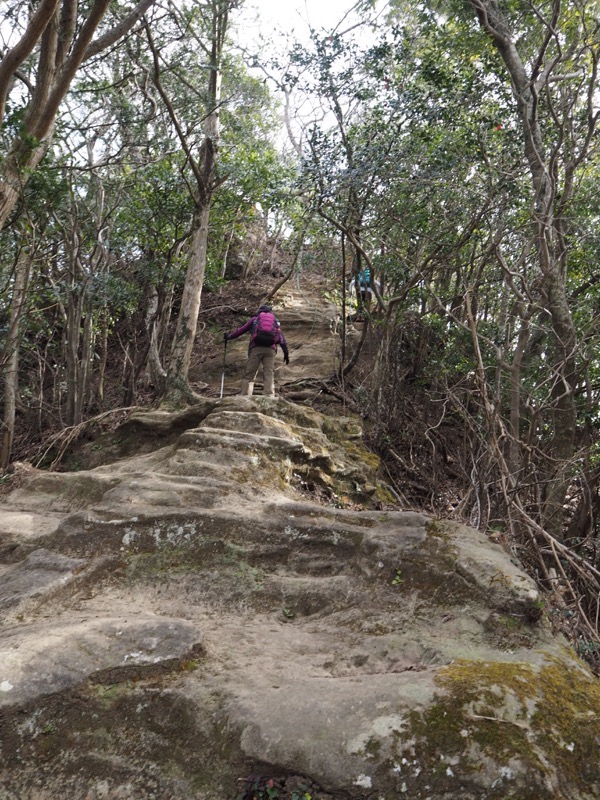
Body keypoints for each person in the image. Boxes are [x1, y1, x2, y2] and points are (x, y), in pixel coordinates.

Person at [224, 304, 289, 397]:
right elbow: (281, 338)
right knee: (268, 372)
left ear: (259, 311)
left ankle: (245, 395)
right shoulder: (275, 321)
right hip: (270, 350)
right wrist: (286, 353)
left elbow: (241, 330)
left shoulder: (255, 319)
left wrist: (229, 337)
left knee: (250, 373)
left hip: (256, 348)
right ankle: (269, 395)